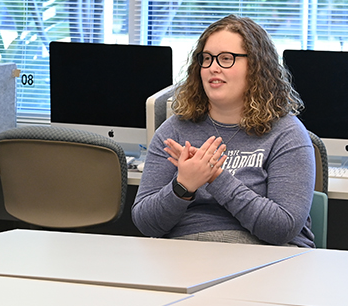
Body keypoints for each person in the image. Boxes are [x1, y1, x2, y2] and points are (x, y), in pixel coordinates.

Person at [131, 14, 316, 248]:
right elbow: (146, 224)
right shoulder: (175, 129)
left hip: (263, 256)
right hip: (184, 252)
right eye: (206, 59)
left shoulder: (286, 133)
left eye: (226, 59)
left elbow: (282, 228)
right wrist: (183, 186)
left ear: (256, 66)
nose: (213, 68)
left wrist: (215, 178)